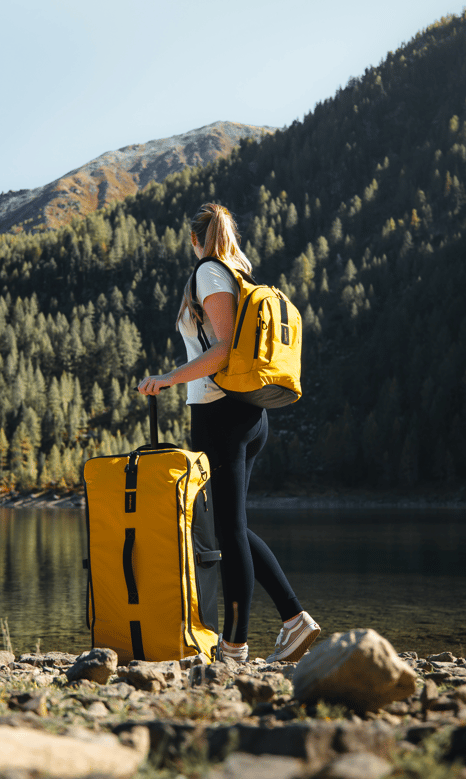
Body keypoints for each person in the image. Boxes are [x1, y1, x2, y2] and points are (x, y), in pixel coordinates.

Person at [137, 203, 320, 664]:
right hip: (247, 413)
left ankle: (235, 646)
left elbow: (221, 349)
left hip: (221, 414)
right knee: (230, 526)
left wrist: (168, 379)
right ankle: (293, 620)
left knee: (228, 530)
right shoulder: (238, 274)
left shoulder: (210, 273)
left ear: (195, 239)